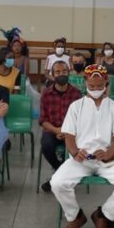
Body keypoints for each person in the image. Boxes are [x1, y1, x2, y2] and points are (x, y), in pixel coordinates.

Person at [52, 64, 114, 228]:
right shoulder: (76, 106)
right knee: (57, 182)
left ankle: (104, 215)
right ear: (85, 82)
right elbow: (69, 134)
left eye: (99, 86)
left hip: (106, 159)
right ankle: (75, 216)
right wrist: (74, 151)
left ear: (106, 83)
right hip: (81, 158)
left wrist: (109, 153)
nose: (95, 89)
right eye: (92, 86)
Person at [38, 60, 82, 192]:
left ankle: (57, 178)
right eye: (57, 72)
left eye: (64, 71)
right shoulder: (46, 93)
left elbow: (80, 119)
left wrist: (67, 132)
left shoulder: (76, 94)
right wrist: (56, 130)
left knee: (74, 149)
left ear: (69, 73)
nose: (61, 74)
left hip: (72, 132)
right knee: (46, 146)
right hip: (52, 129)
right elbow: (43, 120)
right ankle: (60, 171)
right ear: (52, 75)